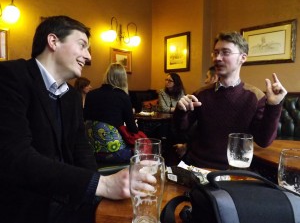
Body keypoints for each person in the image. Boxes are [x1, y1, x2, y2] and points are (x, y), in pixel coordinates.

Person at [0, 16, 155, 223]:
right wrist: (104, 184)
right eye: (82, 45)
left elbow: (82, 150)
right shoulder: (11, 76)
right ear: (53, 41)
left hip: (68, 198)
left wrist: (97, 197)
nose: (88, 56)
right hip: (24, 204)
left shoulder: (72, 96)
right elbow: (16, 158)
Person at [174, 31, 287, 170]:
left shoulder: (255, 97)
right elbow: (180, 130)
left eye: (225, 52)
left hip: (236, 170)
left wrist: (274, 105)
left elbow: (264, 141)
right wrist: (180, 111)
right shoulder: (201, 94)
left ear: (243, 57)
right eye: (215, 53)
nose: (217, 58)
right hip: (198, 168)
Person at [84, 63, 139, 164]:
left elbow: (86, 120)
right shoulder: (122, 96)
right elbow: (132, 129)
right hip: (115, 154)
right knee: (142, 149)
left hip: (91, 153)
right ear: (123, 79)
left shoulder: (91, 95)